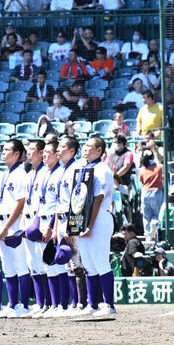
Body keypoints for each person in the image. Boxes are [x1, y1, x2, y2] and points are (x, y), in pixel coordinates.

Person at [71, 135, 118, 319]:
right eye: (85, 145)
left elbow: (97, 200)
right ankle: (93, 304)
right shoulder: (84, 169)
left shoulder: (102, 170)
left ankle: (109, 304)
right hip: (85, 219)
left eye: (89, 146)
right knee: (88, 264)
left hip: (98, 219)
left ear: (99, 150)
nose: (85, 148)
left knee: (101, 262)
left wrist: (89, 225)